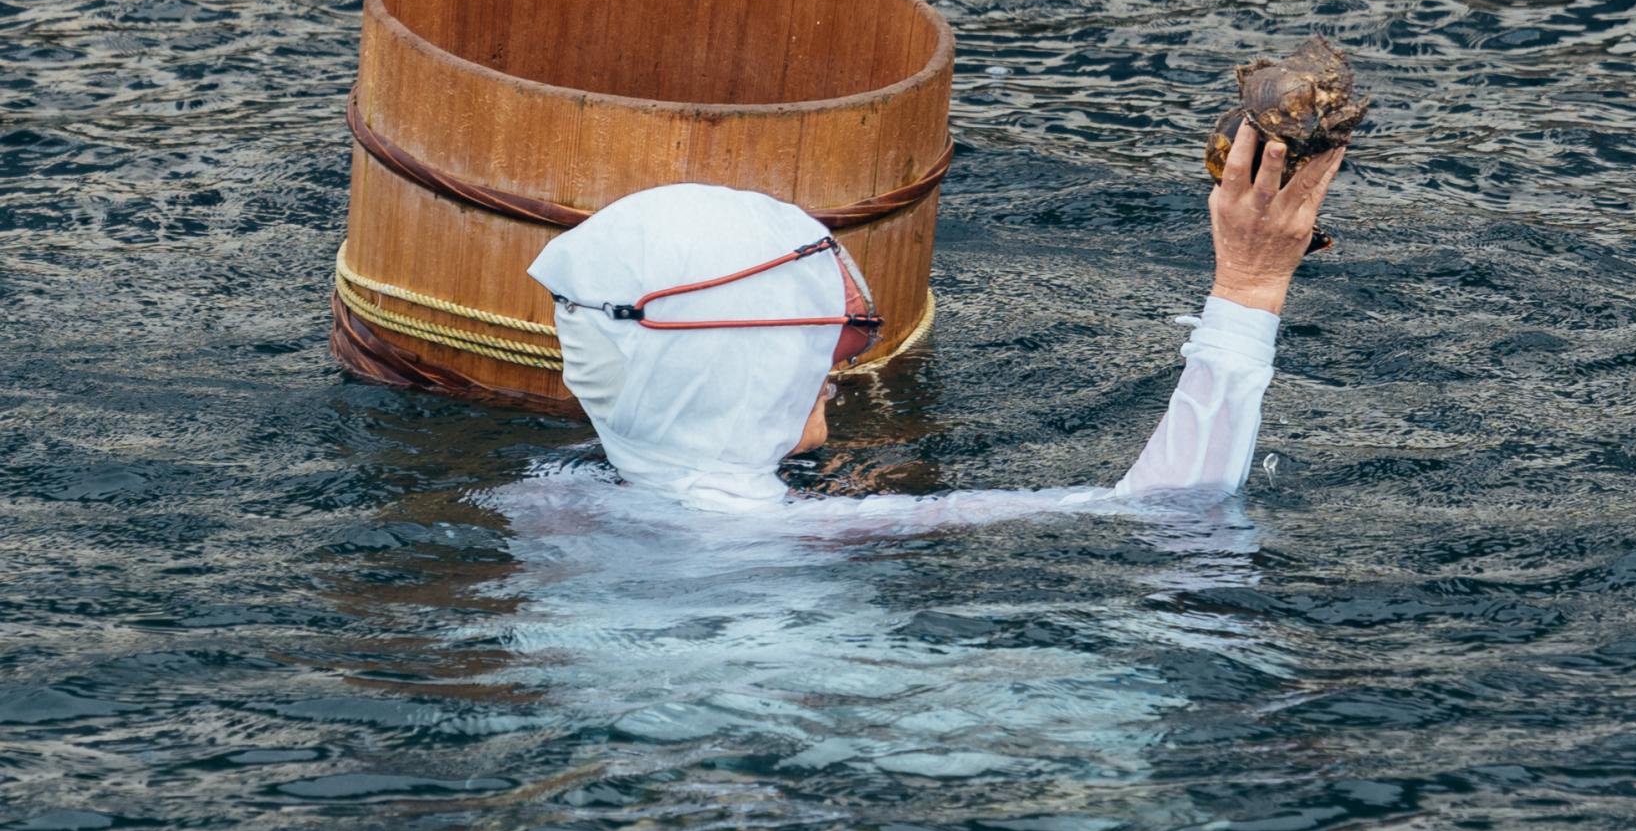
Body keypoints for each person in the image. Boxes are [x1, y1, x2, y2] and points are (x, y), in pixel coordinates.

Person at [526, 123, 1346, 523]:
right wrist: (1249, 283)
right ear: (740, 360)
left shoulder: (543, 503)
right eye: (812, 341)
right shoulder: (785, 535)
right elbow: (1179, 509)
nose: (834, 366)